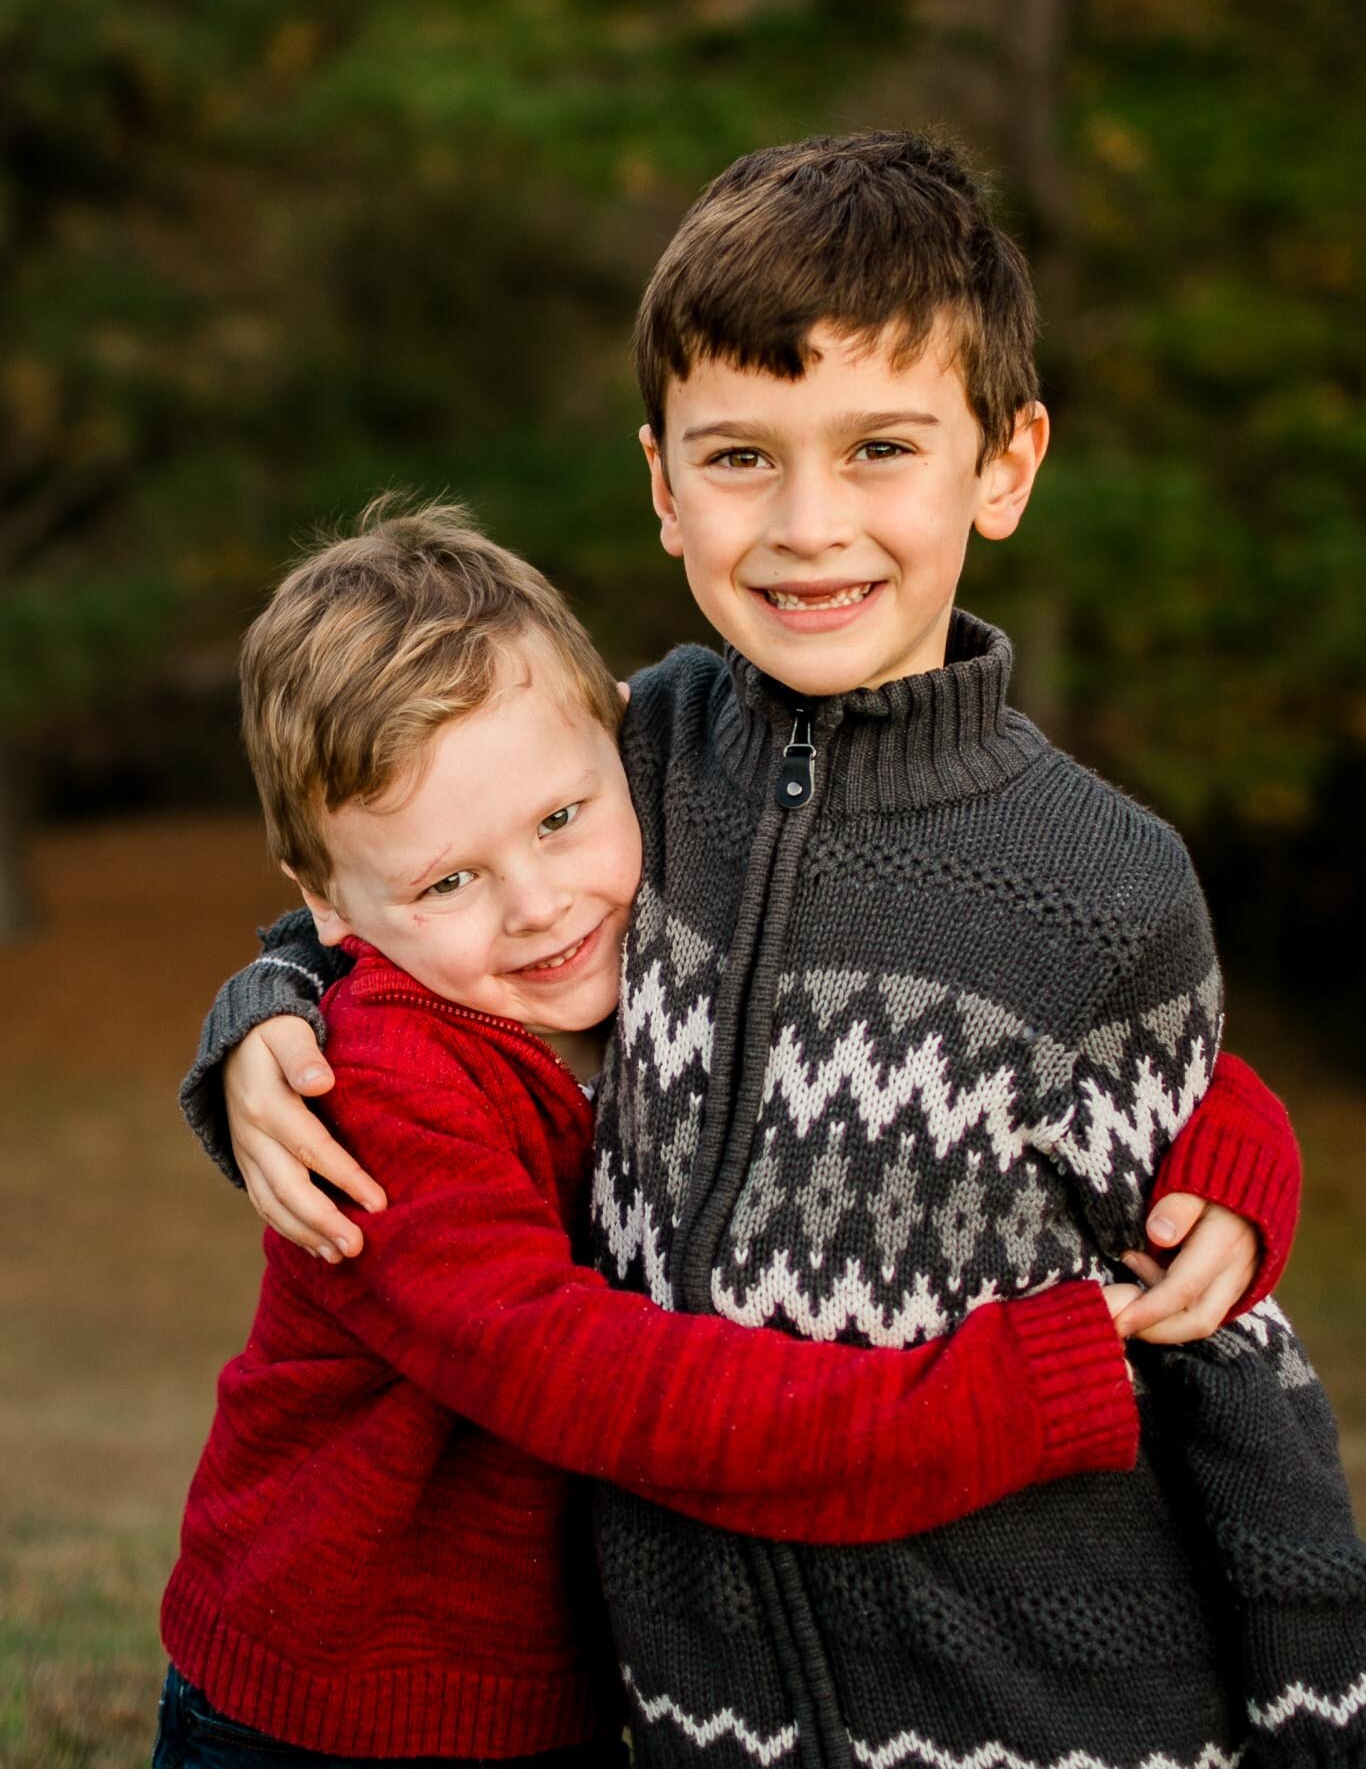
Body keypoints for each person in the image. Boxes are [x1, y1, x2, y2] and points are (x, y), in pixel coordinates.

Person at [181, 134, 1363, 1766]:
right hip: (514, 1691)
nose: (811, 524)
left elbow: (1093, 1050)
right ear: (663, 483)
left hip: (984, 1685)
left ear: (1004, 467)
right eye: (741, 457)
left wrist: (1235, 1133)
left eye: (880, 445)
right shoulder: (648, 751)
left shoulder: (1095, 868)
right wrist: (260, 1013)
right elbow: (386, 891)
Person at [156, 501, 1155, 1769]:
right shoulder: (388, 1080)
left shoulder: (668, 943)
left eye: (561, 818)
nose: (538, 905)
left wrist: (1223, 1133)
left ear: (620, 752)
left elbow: (982, 999)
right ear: (327, 905)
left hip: (562, 1685)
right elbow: (597, 1380)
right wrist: (976, 1408)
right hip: (333, 1713)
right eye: (446, 881)